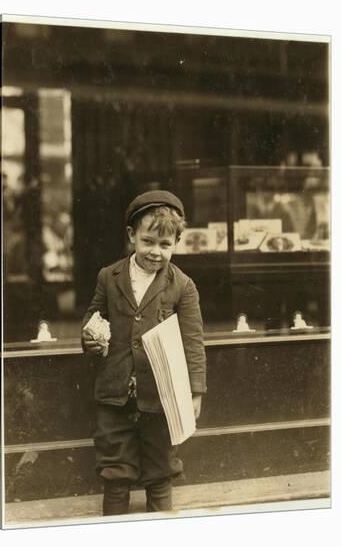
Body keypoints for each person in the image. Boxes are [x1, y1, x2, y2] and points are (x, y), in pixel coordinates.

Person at [81, 190, 207, 516]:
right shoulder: (109, 277)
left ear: (177, 243)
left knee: (161, 470)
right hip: (115, 393)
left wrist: (195, 393)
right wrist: (91, 337)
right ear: (131, 236)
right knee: (115, 471)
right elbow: (95, 318)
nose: (155, 252)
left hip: (162, 395)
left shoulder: (183, 285)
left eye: (166, 245)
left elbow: (193, 341)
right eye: (148, 241)